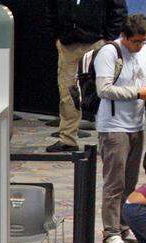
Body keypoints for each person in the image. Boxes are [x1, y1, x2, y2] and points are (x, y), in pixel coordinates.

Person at [95, 13, 146, 243]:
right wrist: (137, 93)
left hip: (136, 125)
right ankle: (110, 232)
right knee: (115, 183)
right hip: (113, 128)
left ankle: (124, 226)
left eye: (143, 41)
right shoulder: (109, 52)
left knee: (130, 182)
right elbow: (104, 89)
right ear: (124, 37)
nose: (139, 46)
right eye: (135, 42)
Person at [46, 0, 127, 153]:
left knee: (103, 93)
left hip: (96, 44)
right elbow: (51, 9)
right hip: (67, 45)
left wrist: (108, 38)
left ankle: (107, 139)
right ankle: (67, 139)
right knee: (67, 93)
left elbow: (119, 11)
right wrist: (57, 36)